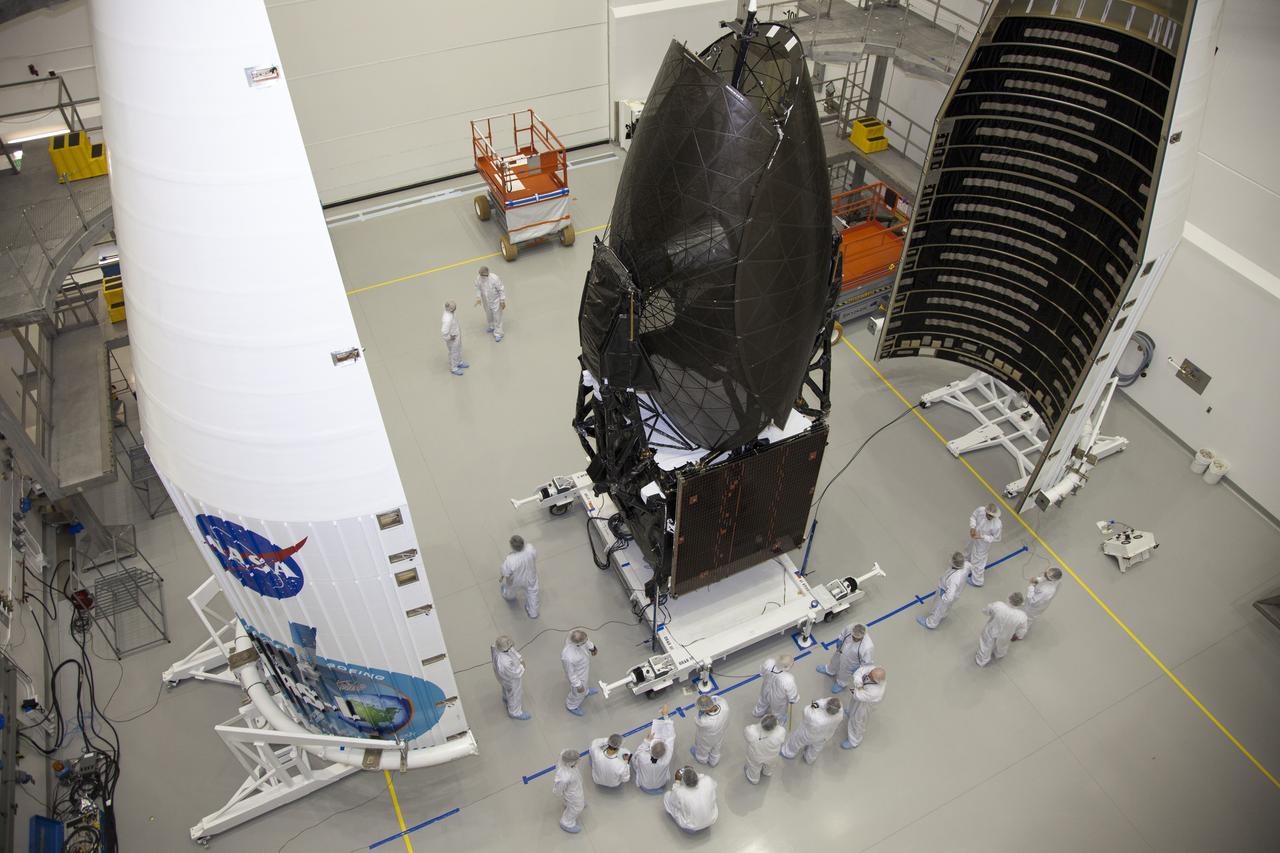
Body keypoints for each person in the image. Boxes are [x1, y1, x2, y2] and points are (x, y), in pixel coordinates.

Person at [781, 697, 843, 764]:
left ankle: (788, 752)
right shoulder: (839, 714)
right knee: (816, 748)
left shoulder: (815, 717)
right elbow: (830, 702)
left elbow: (806, 710)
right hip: (824, 736)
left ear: (826, 706)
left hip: (808, 734)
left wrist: (818, 704)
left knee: (796, 741)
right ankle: (809, 759)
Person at [918, 552, 969, 630]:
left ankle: (931, 623)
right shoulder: (966, 565)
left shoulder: (954, 579)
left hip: (946, 594)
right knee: (945, 608)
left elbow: (949, 597)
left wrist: (943, 596)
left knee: (939, 608)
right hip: (954, 592)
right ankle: (944, 614)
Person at [975, 592, 1028, 666]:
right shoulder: (1022, 616)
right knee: (1002, 645)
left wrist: (985, 611)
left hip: (992, 630)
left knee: (986, 644)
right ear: (1020, 604)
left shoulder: (998, 605)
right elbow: (1023, 629)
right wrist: (1018, 636)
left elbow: (987, 610)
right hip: (1006, 635)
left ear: (1009, 598)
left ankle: (982, 660)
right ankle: (999, 654)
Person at [817, 623, 873, 693]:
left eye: (857, 638)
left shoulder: (867, 646)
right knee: (834, 661)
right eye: (853, 636)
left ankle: (841, 683)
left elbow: (867, 663)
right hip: (841, 650)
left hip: (851, 662)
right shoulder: (850, 627)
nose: (854, 639)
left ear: (863, 636)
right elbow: (843, 633)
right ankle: (829, 670)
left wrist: (859, 669)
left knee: (844, 673)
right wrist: (840, 640)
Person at [841, 665, 886, 749]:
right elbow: (861, 671)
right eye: (870, 674)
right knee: (852, 705)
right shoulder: (873, 670)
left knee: (857, 721)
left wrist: (856, 688)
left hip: (865, 705)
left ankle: (854, 741)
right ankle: (850, 712)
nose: (868, 675)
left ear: (876, 681)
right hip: (860, 694)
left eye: (870, 676)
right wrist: (858, 681)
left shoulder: (875, 692)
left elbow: (858, 695)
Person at [664, 766, 718, 833]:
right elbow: (702, 777)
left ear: (684, 781)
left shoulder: (680, 792)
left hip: (692, 825)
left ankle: (690, 827)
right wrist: (691, 772)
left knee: (667, 796)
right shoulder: (707, 780)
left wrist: (677, 782)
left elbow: (672, 799)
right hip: (711, 819)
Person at [633, 710, 676, 793]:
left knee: (634, 759)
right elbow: (671, 736)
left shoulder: (643, 757)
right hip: (661, 784)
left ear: (651, 749)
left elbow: (638, 751)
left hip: (644, 785)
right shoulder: (667, 758)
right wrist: (666, 716)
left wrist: (647, 741)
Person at [490, 634, 530, 720]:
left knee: (506, 689)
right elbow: (515, 673)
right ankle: (515, 712)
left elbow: (512, 651)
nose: (511, 647)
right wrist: (522, 666)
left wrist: (520, 659)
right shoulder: (505, 662)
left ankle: (506, 698)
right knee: (515, 694)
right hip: (511, 679)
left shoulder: (498, 647)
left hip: (503, 678)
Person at [499, 534, 539, 619]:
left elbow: (506, 572)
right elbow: (535, 556)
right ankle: (533, 613)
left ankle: (509, 596)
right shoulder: (530, 548)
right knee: (532, 593)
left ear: (512, 546)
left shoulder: (510, 559)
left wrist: (508, 582)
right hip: (531, 576)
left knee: (511, 589)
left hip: (517, 580)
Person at [561, 629, 598, 716]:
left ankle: (586, 691)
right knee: (578, 692)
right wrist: (578, 685)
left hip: (584, 668)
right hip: (578, 674)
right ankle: (571, 705)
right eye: (584, 642)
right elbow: (571, 673)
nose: (586, 642)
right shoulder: (568, 657)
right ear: (578, 644)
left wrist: (592, 648)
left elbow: (586, 640)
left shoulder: (574, 634)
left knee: (585, 684)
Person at [752, 655, 798, 723]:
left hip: (765, 689)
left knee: (762, 701)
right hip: (778, 698)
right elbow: (792, 693)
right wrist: (793, 699)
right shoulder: (788, 679)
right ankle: (779, 721)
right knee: (778, 711)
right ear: (786, 667)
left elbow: (762, 671)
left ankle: (757, 712)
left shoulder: (769, 663)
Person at [965, 503, 1003, 587]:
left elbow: (996, 538)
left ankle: (977, 581)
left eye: (991, 516)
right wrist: (972, 527)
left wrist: (982, 536)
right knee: (968, 550)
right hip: (974, 536)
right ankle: (967, 567)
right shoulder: (980, 510)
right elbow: (973, 517)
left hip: (983, 543)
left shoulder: (997, 524)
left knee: (978, 560)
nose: (989, 517)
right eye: (988, 514)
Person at [743, 713, 786, 784]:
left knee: (754, 767)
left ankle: (753, 779)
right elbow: (782, 740)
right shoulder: (781, 732)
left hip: (756, 756)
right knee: (770, 766)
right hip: (772, 757)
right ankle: (767, 772)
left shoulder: (751, 730)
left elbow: (746, 735)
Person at [551, 748, 585, 834]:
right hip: (573, 794)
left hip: (574, 787)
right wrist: (560, 794)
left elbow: (566, 752)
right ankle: (566, 822)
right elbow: (558, 790)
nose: (579, 760)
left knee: (574, 800)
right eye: (577, 760)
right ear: (571, 762)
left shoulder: (565, 757)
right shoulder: (565, 776)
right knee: (577, 807)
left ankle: (568, 803)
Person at [691, 694, 730, 767]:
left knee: (703, 749)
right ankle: (714, 761)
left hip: (707, 739)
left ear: (704, 709)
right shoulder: (724, 705)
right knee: (716, 747)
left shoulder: (704, 721)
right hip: (720, 734)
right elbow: (716, 698)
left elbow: (697, 721)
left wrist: (700, 715)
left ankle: (702, 759)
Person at [1023, 567, 1063, 633]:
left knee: (1028, 619)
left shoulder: (1046, 591)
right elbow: (1046, 578)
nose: (1044, 574)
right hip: (1041, 600)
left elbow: (1032, 602)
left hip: (1034, 608)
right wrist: (1038, 580)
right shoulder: (1057, 578)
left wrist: (1031, 586)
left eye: (1046, 575)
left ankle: (1021, 633)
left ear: (1050, 579)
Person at [474, 265, 507, 342]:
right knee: (488, 314)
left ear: (487, 274)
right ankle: (491, 326)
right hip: (486, 301)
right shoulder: (479, 278)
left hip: (496, 301)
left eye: (483, 275)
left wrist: (502, 301)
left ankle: (498, 333)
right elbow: (477, 288)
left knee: (497, 317)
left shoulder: (494, 278)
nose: (481, 277)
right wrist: (478, 297)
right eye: (480, 275)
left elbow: (501, 289)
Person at [440, 301, 468, 376]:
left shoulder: (449, 311)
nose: (455, 309)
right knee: (454, 351)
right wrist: (449, 337)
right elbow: (444, 332)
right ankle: (454, 367)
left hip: (456, 334)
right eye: (454, 308)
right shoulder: (447, 319)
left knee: (458, 349)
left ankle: (459, 362)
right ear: (451, 309)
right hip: (452, 337)